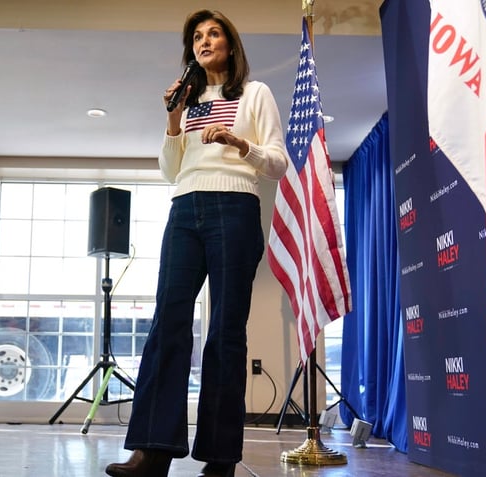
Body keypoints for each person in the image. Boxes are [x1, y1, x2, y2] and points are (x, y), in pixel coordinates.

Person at [106, 10, 287, 477]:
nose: (204, 41)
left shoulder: (254, 93)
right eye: (197, 37)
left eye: (213, 33)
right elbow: (171, 170)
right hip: (185, 208)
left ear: (230, 44)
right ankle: (152, 450)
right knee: (168, 324)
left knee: (226, 333)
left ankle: (220, 457)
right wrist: (172, 117)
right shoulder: (185, 101)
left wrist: (238, 143)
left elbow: (277, 163)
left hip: (235, 206)